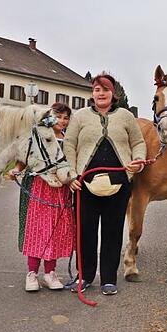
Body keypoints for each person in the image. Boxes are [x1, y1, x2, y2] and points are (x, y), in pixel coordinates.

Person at [63, 73, 146, 296]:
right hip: (84, 185)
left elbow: (138, 142)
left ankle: (109, 278)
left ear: (113, 93)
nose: (101, 94)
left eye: (105, 89)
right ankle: (84, 276)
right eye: (97, 90)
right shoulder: (80, 116)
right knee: (85, 232)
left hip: (119, 184)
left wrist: (137, 162)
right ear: (92, 93)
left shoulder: (126, 116)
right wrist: (70, 175)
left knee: (112, 231)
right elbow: (69, 145)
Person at [9, 102, 74, 292]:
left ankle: (50, 272)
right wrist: (17, 169)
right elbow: (25, 156)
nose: (62, 121)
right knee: (37, 229)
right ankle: (32, 273)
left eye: (66, 117)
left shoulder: (68, 139)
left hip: (60, 189)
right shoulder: (38, 135)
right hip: (39, 186)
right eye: (58, 116)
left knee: (55, 231)